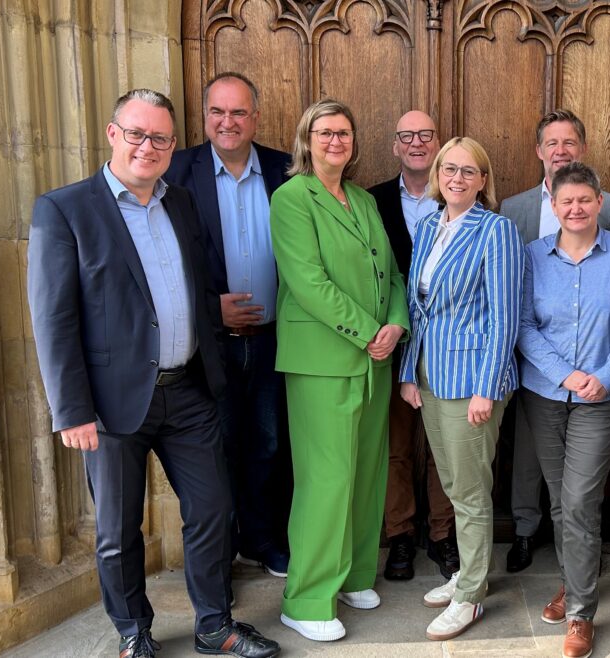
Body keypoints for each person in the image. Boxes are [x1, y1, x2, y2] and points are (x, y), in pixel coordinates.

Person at [27, 88, 280, 658]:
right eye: (137, 134)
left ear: (172, 145)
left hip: (188, 390)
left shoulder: (181, 202)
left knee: (213, 510)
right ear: (113, 134)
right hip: (111, 403)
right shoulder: (65, 209)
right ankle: (132, 631)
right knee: (119, 531)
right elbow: (53, 319)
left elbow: (198, 290)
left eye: (161, 138)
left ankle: (215, 625)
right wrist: (71, 410)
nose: (148, 146)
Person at [270, 99, 409, 643]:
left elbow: (392, 270)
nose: (336, 141)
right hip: (323, 360)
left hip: (373, 358)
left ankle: (351, 575)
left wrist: (395, 324)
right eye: (325, 132)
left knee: (367, 471)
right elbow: (307, 281)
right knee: (326, 479)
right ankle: (305, 597)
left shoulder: (360, 198)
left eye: (344, 133)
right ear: (307, 138)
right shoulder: (291, 199)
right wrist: (368, 331)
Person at [165, 72, 292, 578]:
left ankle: (264, 540)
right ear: (205, 116)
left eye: (238, 112)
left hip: (273, 342)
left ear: (254, 117)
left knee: (268, 444)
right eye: (218, 111)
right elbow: (159, 261)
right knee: (212, 454)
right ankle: (219, 556)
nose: (227, 122)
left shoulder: (286, 169)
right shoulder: (175, 171)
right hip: (208, 345)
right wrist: (210, 308)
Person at [517, 162, 610, 658]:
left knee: (579, 500)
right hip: (546, 395)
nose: (575, 209)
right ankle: (573, 584)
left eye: (584, 201)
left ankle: (581, 614)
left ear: (599, 203)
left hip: (601, 399)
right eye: (566, 201)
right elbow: (523, 325)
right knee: (558, 498)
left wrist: (604, 375)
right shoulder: (532, 256)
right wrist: (565, 374)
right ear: (553, 205)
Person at [397, 137, 523, 641]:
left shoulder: (497, 231)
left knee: (470, 492)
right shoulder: (429, 226)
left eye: (469, 171)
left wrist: (486, 389)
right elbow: (418, 309)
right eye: (450, 169)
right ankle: (467, 573)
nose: (457, 178)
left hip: (473, 382)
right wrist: (410, 372)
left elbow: (504, 317)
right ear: (437, 174)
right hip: (431, 376)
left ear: (483, 181)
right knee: (452, 486)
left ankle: (471, 594)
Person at [499, 109, 610, 572]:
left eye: (569, 142)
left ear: (583, 148)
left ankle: (575, 560)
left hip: (597, 372)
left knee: (578, 486)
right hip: (538, 369)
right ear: (539, 152)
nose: (560, 150)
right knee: (529, 458)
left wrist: (603, 372)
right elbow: (512, 299)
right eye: (551, 143)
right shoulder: (513, 210)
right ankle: (525, 529)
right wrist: (557, 370)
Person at [367, 111, 459, 581]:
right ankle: (400, 535)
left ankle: (443, 537)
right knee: (396, 448)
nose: (417, 143)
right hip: (391, 341)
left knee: (444, 445)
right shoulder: (370, 200)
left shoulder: (457, 197)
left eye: (426, 134)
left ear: (438, 142)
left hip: (447, 347)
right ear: (396, 146)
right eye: (407, 136)